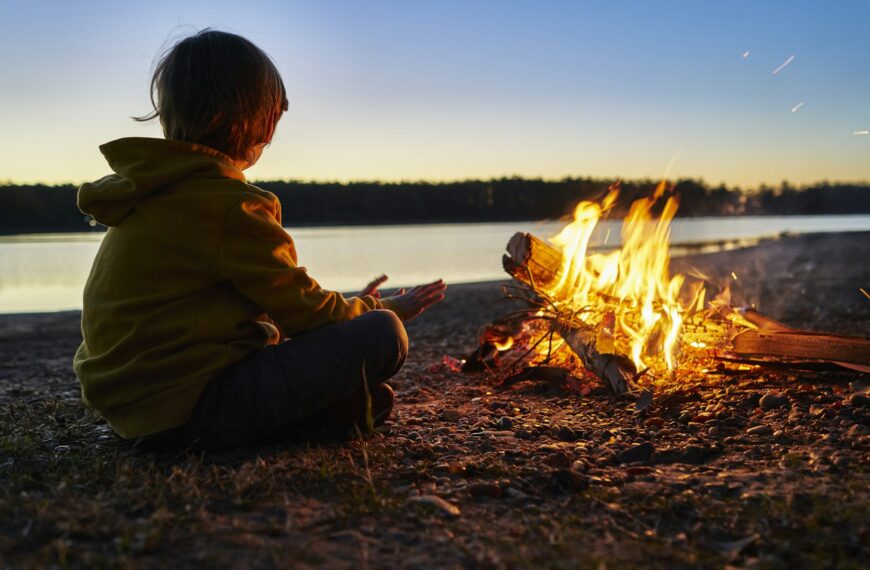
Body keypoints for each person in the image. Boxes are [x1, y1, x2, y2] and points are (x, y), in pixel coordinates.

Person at [73, 29, 446, 452]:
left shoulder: (149, 193)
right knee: (385, 333)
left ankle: (309, 415)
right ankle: (271, 423)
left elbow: (263, 310)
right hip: (189, 409)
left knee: (365, 393)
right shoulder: (232, 206)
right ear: (256, 122)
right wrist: (383, 307)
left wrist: (342, 311)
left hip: (133, 410)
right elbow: (305, 315)